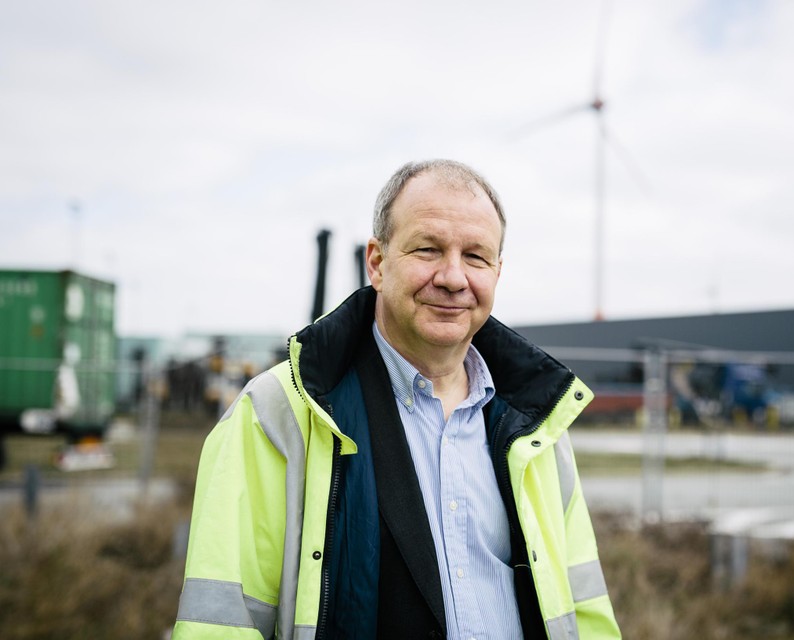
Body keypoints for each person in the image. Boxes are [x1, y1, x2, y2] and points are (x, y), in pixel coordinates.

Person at [172, 159, 621, 639]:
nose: (452, 277)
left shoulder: (538, 427)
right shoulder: (279, 413)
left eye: (475, 256)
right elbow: (221, 621)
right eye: (428, 249)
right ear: (377, 263)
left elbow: (583, 610)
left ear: (497, 271)